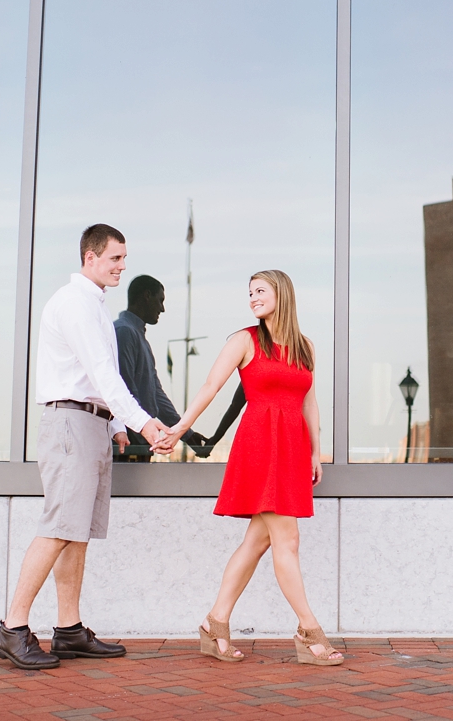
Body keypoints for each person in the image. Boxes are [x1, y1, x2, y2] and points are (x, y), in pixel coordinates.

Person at [0, 224, 169, 670]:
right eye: (115, 258)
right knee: (57, 527)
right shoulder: (74, 304)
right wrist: (145, 424)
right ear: (90, 257)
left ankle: (68, 631)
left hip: (89, 424)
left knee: (76, 532)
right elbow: (105, 376)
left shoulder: (94, 305)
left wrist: (113, 428)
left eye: (124, 258)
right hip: (69, 423)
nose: (122, 267)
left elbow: (97, 378)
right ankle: (12, 628)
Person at [153, 270, 343, 666]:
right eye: (250, 293)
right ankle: (309, 632)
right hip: (260, 446)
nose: (253, 298)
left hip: (292, 448)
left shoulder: (305, 346)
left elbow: (309, 400)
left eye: (261, 291)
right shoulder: (244, 340)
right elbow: (210, 386)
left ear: (282, 295)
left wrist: (315, 451)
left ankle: (215, 624)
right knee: (287, 541)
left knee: (259, 541)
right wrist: (180, 429)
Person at [114, 275, 182, 461]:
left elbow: (156, 395)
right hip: (128, 443)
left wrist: (185, 432)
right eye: (160, 301)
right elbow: (124, 390)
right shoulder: (124, 333)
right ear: (146, 296)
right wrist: (143, 435)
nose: (162, 308)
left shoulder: (137, 336)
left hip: (140, 441)